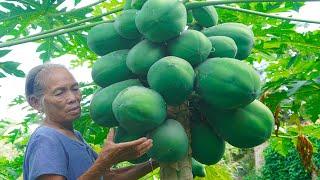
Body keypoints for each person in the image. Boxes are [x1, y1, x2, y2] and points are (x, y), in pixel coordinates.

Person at [23, 63, 158, 180]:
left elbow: (108, 177)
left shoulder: (74, 136)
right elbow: (100, 170)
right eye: (59, 93)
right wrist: (104, 161)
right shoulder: (46, 139)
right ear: (35, 102)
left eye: (75, 89)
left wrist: (157, 161)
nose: (73, 98)